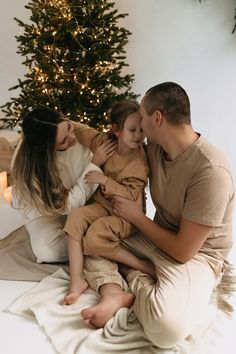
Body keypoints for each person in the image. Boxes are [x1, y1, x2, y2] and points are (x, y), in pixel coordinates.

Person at [79, 82, 235, 349]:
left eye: (142, 114)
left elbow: (184, 251)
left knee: (165, 330)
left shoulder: (211, 172)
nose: (140, 124)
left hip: (197, 256)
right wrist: (66, 127)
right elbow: (103, 138)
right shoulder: (154, 151)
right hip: (156, 238)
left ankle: (134, 272)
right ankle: (121, 288)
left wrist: (137, 218)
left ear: (158, 118)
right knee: (89, 234)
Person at [62, 99, 151, 305]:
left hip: (125, 215)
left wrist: (105, 180)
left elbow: (130, 195)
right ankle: (77, 280)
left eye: (141, 130)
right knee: (75, 217)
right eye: (132, 130)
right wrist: (65, 123)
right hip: (103, 206)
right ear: (116, 130)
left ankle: (141, 265)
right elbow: (84, 131)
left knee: (95, 236)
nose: (138, 136)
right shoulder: (106, 143)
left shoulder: (139, 163)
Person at [11, 106, 116, 263]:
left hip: (82, 205)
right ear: (48, 148)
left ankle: (98, 242)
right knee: (47, 251)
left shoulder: (69, 129)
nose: (72, 138)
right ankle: (100, 245)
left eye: (69, 127)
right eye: (63, 141)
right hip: (47, 213)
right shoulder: (34, 169)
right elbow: (68, 205)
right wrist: (95, 164)